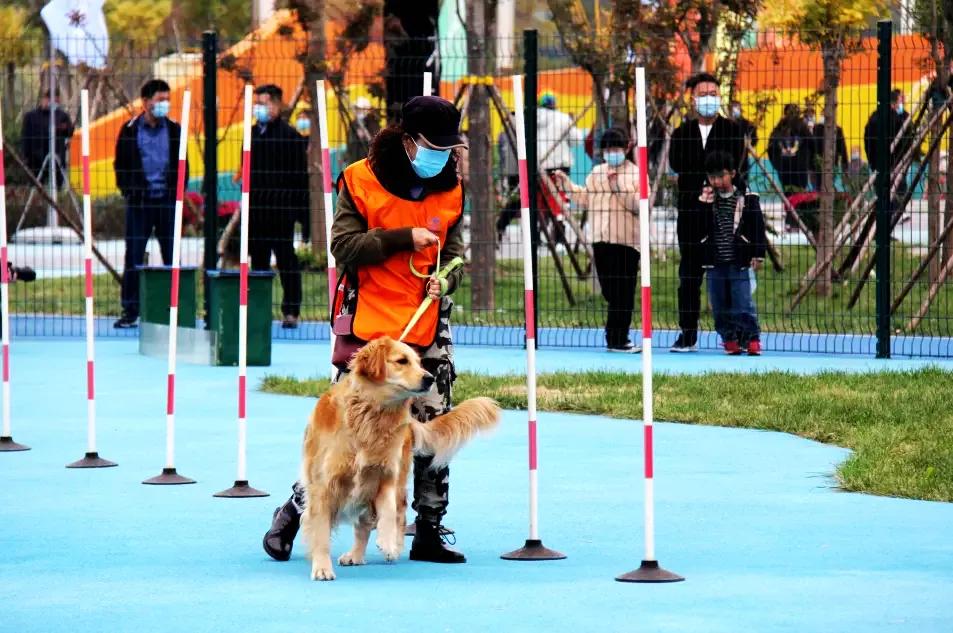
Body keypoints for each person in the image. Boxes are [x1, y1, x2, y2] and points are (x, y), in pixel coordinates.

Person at [262, 95, 469, 564]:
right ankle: (293, 514)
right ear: (409, 139)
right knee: (343, 433)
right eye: (434, 146)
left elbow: (456, 251)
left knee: (430, 429)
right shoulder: (360, 179)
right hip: (371, 335)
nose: (443, 155)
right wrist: (402, 238)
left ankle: (430, 530)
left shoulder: (452, 187)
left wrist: (447, 277)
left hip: (426, 328)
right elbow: (343, 246)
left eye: (449, 147)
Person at [668, 72, 745, 352]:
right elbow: (677, 165)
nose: (709, 99)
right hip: (691, 211)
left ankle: (734, 335)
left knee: (727, 274)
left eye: (714, 94)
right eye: (704, 95)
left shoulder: (732, 130)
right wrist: (699, 189)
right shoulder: (681, 133)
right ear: (693, 99)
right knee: (689, 275)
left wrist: (716, 185)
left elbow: (736, 164)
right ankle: (687, 333)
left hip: (724, 211)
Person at [557, 128, 641, 353]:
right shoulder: (596, 173)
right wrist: (567, 186)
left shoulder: (635, 174)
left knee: (624, 292)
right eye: (608, 149)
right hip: (600, 240)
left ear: (626, 149)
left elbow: (638, 206)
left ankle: (618, 338)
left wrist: (618, 186)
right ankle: (616, 335)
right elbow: (585, 198)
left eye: (617, 149)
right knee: (610, 291)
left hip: (626, 242)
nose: (612, 153)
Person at [113, 79, 186, 329]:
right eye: (159, 100)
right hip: (140, 204)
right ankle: (130, 309)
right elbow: (120, 166)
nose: (164, 104)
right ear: (145, 102)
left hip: (167, 202)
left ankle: (173, 307)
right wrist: (131, 191)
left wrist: (178, 191)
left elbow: (183, 165)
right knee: (134, 256)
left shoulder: (175, 130)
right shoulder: (130, 130)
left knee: (171, 255)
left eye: (167, 99)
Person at [246, 84, 308, 329]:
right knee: (258, 262)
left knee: (286, 261)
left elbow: (299, 178)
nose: (258, 108)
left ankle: (291, 310)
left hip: (281, 211)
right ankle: (259, 310)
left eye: (263, 103)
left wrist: (299, 214)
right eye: (257, 103)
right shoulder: (251, 135)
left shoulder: (290, 136)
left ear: (276, 105)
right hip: (257, 211)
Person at [698, 151, 766, 356]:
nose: (716, 181)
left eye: (721, 176)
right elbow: (698, 227)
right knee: (718, 304)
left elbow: (757, 227)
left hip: (739, 261)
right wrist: (703, 204)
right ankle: (728, 338)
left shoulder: (747, 198)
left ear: (733, 174)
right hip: (715, 262)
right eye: (712, 177)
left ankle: (752, 337)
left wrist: (758, 253)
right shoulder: (706, 199)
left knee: (742, 303)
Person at [864, 88, 914, 210]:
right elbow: (908, 138)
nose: (904, 102)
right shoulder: (897, 119)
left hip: (879, 163)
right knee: (897, 190)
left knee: (883, 191)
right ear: (894, 103)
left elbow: (867, 141)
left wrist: (871, 160)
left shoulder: (874, 117)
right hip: (895, 161)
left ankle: (888, 214)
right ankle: (896, 214)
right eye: (901, 99)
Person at [20, 89, 74, 188]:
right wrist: (25, 155)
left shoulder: (62, 115)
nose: (53, 104)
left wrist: (64, 128)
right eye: (50, 100)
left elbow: (69, 132)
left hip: (57, 157)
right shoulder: (31, 116)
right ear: (44, 99)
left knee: (58, 185)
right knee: (36, 186)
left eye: (56, 102)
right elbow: (25, 137)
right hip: (35, 158)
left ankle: (58, 200)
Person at [768, 103, 812, 195]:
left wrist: (807, 163)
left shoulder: (802, 127)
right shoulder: (779, 128)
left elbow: (811, 145)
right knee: (789, 194)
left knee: (799, 194)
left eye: (793, 112)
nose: (791, 115)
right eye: (789, 112)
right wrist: (777, 164)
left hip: (799, 168)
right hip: (785, 168)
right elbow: (771, 147)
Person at [803, 106, 848, 191]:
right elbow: (843, 150)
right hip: (828, 164)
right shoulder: (836, 129)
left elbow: (809, 148)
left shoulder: (814, 129)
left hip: (815, 166)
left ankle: (821, 202)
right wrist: (844, 166)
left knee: (818, 188)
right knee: (827, 188)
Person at [344, 97, 382, 166]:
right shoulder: (354, 123)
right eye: (357, 109)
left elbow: (376, 139)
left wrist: (365, 135)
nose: (359, 112)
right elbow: (350, 141)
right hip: (356, 157)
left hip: (368, 157)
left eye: (361, 109)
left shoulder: (372, 122)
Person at [728, 99, 757, 179]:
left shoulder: (747, 124)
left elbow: (754, 139)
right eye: (732, 108)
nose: (735, 110)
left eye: (737, 108)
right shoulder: (725, 124)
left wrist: (749, 144)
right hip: (728, 158)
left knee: (742, 180)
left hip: (743, 158)